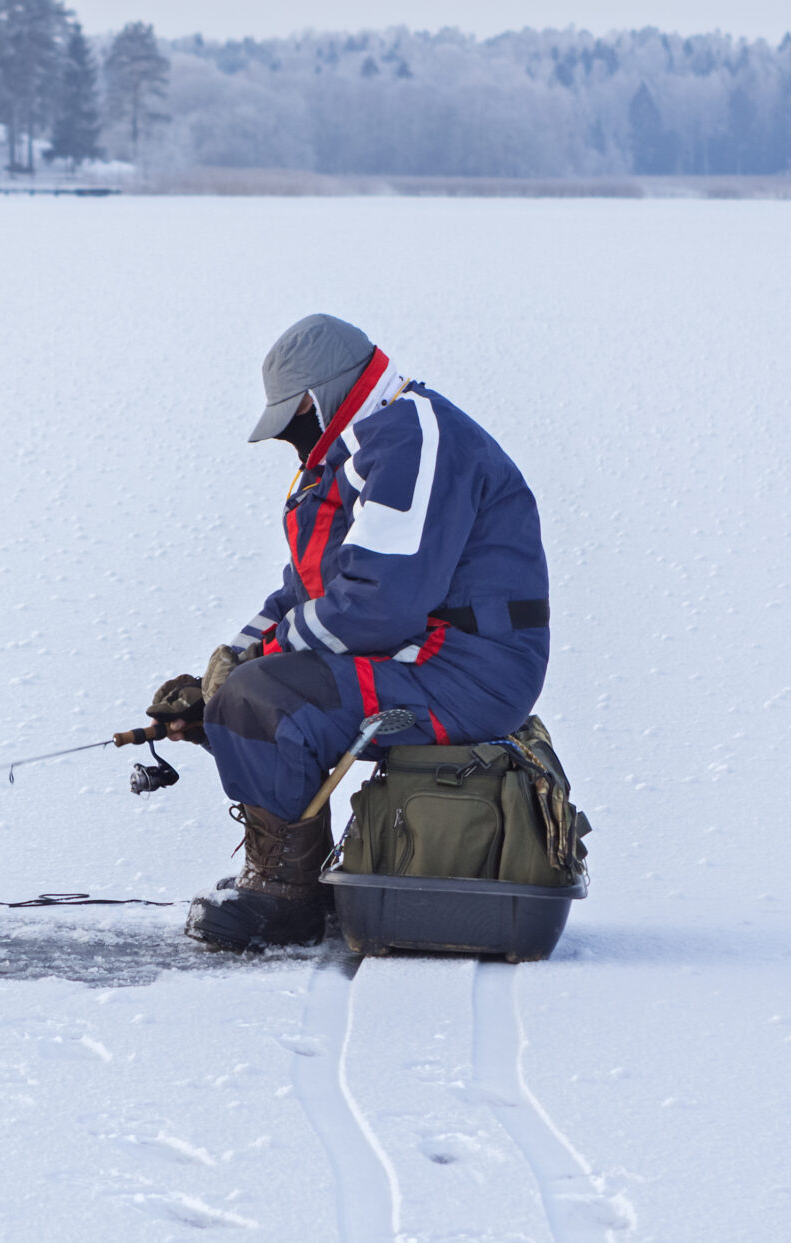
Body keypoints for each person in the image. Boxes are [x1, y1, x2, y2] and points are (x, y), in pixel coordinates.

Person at [148, 314, 553, 950]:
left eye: (289, 422)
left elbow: (377, 606)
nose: (290, 440)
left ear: (314, 400)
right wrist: (229, 663)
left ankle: (285, 896)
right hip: (427, 660)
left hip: (468, 671)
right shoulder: (365, 449)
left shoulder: (412, 439)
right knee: (252, 693)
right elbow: (307, 591)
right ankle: (281, 875)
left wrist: (257, 675)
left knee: (268, 700)